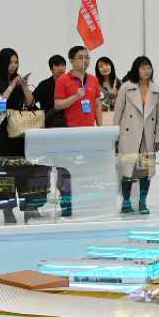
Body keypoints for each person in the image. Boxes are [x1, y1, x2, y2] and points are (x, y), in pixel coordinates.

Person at [0, 48, 41, 223]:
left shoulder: (20, 80)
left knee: (26, 170)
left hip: (20, 130)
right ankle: (7, 209)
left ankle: (29, 207)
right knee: (4, 172)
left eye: (16, 62)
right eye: (10, 62)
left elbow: (30, 103)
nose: (14, 66)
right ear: (3, 63)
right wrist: (11, 86)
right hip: (1, 131)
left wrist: (23, 86)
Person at [52, 46, 101, 217]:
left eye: (87, 57)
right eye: (81, 57)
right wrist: (75, 97)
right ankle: (67, 205)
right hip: (69, 133)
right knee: (66, 171)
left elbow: (97, 105)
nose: (85, 60)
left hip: (89, 133)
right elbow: (58, 104)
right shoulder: (63, 80)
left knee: (86, 171)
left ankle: (84, 204)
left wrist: (100, 128)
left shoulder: (93, 80)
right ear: (72, 61)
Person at [115, 56, 159, 215]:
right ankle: (126, 201)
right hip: (129, 135)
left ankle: (143, 202)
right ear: (136, 69)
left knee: (145, 171)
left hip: (147, 136)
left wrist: (158, 137)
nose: (146, 71)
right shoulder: (126, 87)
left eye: (149, 67)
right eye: (142, 68)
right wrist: (115, 134)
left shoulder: (156, 89)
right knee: (127, 170)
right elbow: (118, 112)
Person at [33, 55, 69, 215]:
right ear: (51, 68)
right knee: (45, 168)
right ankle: (40, 202)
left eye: (63, 65)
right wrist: (43, 115)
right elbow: (31, 102)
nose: (61, 68)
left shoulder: (70, 83)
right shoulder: (45, 85)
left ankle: (66, 202)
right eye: (57, 65)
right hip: (48, 131)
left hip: (67, 130)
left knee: (64, 168)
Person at [94, 56, 120, 124]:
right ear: (98, 70)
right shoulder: (95, 84)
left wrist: (117, 94)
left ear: (111, 66)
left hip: (118, 119)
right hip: (102, 119)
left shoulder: (119, 83)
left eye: (107, 65)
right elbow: (96, 105)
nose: (105, 68)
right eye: (101, 66)